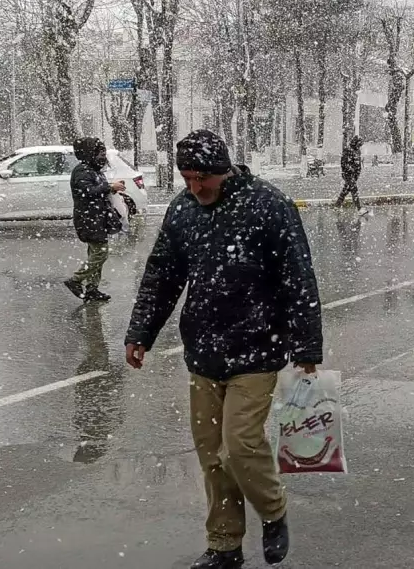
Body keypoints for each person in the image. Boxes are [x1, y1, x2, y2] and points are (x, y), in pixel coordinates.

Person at [124, 129, 323, 569]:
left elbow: (299, 279)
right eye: (186, 179)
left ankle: (273, 512)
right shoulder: (183, 210)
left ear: (222, 170)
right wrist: (140, 333)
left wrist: (307, 347)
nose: (195, 188)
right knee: (211, 454)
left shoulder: (269, 205)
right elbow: (162, 276)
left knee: (239, 444)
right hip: (204, 351)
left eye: (201, 179)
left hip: (258, 347)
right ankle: (224, 545)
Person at [64, 137, 125, 302]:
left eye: (103, 152)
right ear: (90, 153)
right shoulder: (82, 171)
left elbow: (97, 191)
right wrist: (109, 187)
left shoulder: (93, 170)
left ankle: (92, 289)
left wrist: (111, 189)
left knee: (95, 253)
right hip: (88, 219)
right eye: (99, 152)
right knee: (100, 254)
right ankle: (75, 280)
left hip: (97, 218)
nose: (102, 156)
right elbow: (88, 192)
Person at [334, 135, 363, 209]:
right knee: (354, 190)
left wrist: (357, 172)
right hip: (348, 174)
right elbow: (344, 163)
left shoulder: (357, 151)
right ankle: (359, 209)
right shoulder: (348, 150)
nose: (359, 146)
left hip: (355, 175)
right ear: (355, 142)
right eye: (359, 144)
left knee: (346, 190)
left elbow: (358, 162)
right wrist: (351, 170)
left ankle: (337, 205)